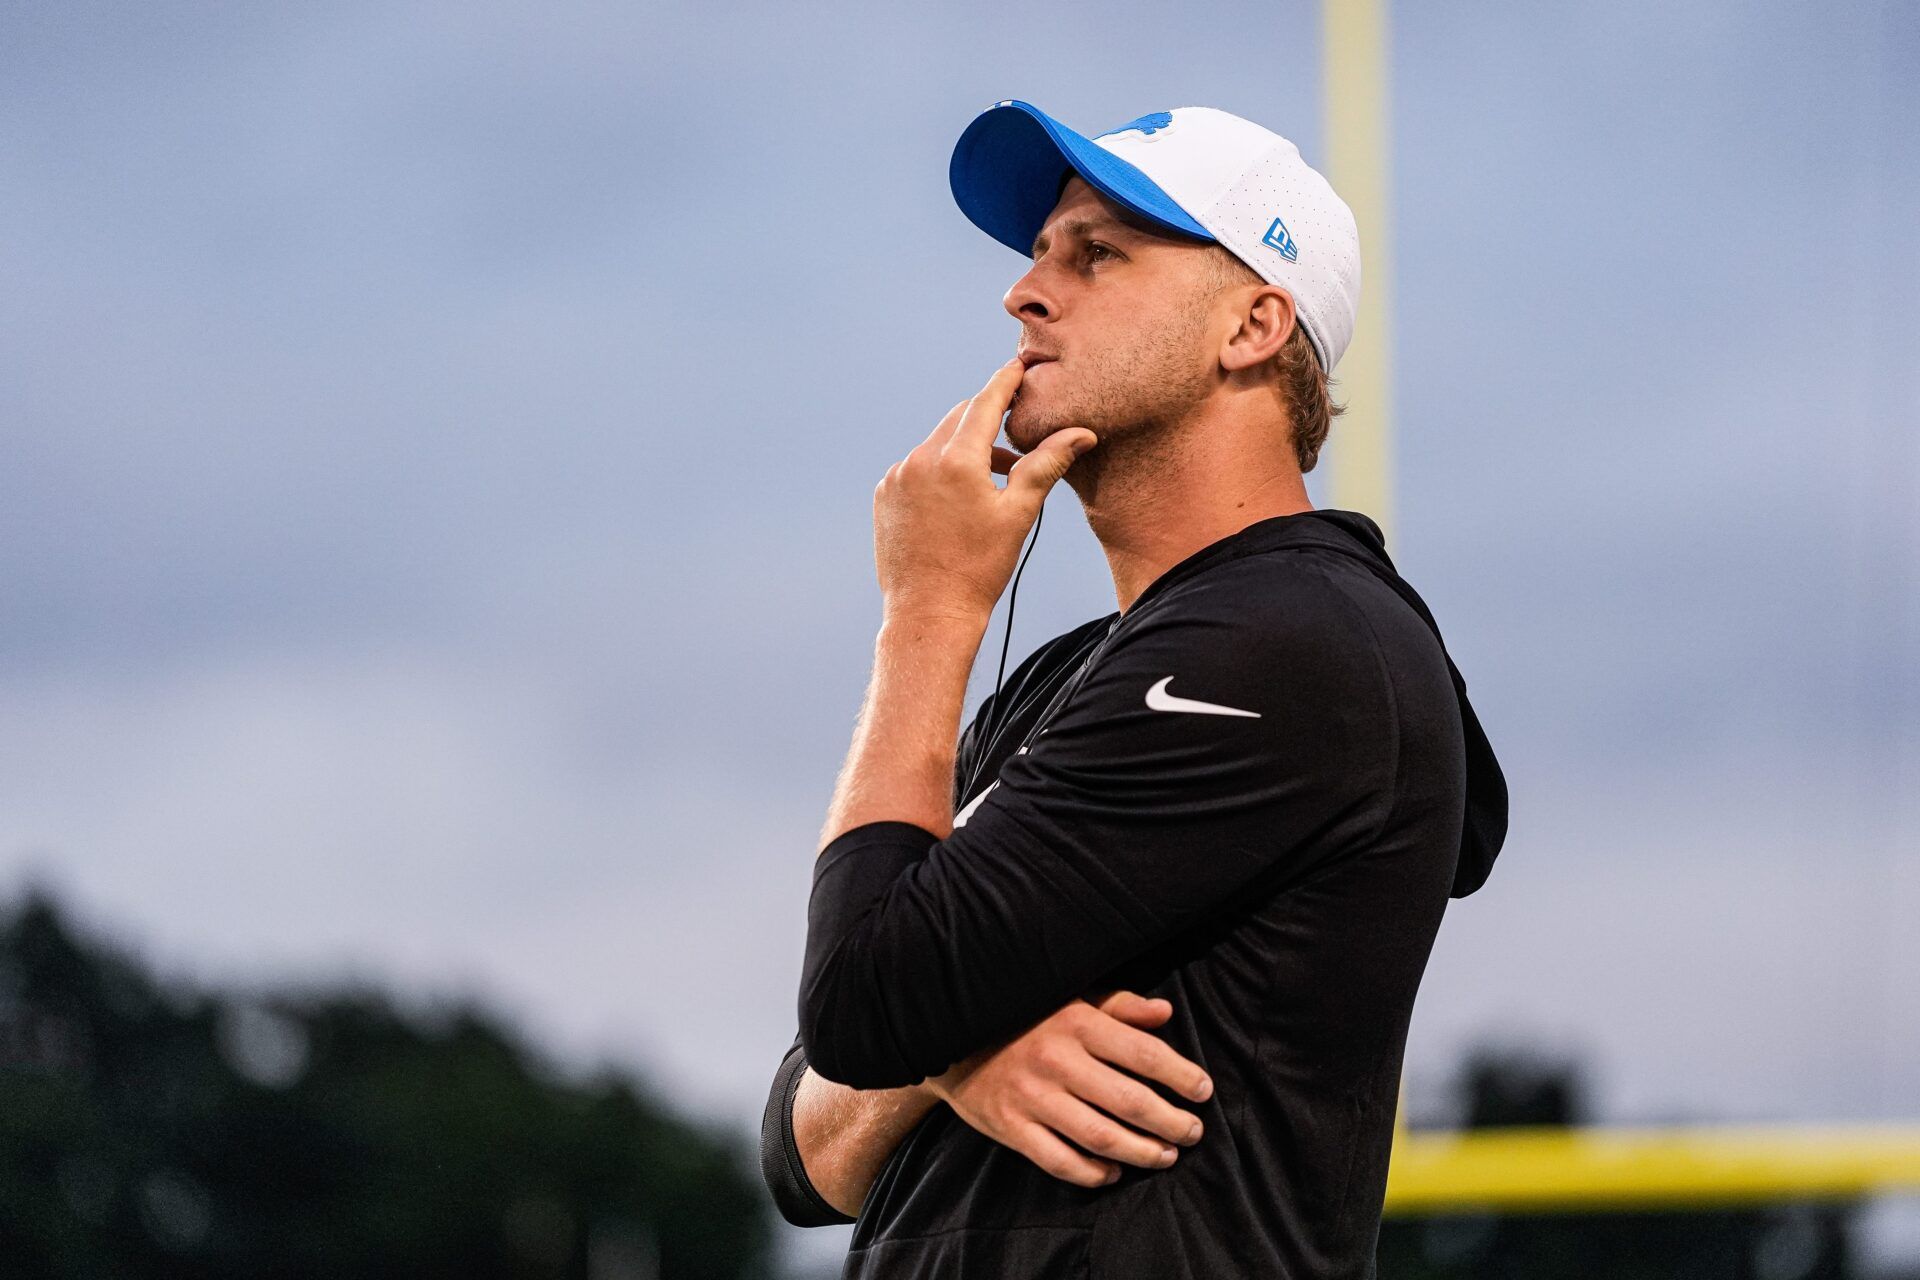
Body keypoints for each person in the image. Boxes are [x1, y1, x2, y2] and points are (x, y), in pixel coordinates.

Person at [758, 99, 1509, 1279]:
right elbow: (801, 1149)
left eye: (1097, 253)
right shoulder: (1083, 668)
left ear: (1255, 324)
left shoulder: (1294, 636)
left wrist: (929, 611)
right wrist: (959, 1047)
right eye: (1039, 254)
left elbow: (858, 1004)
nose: (1025, 295)